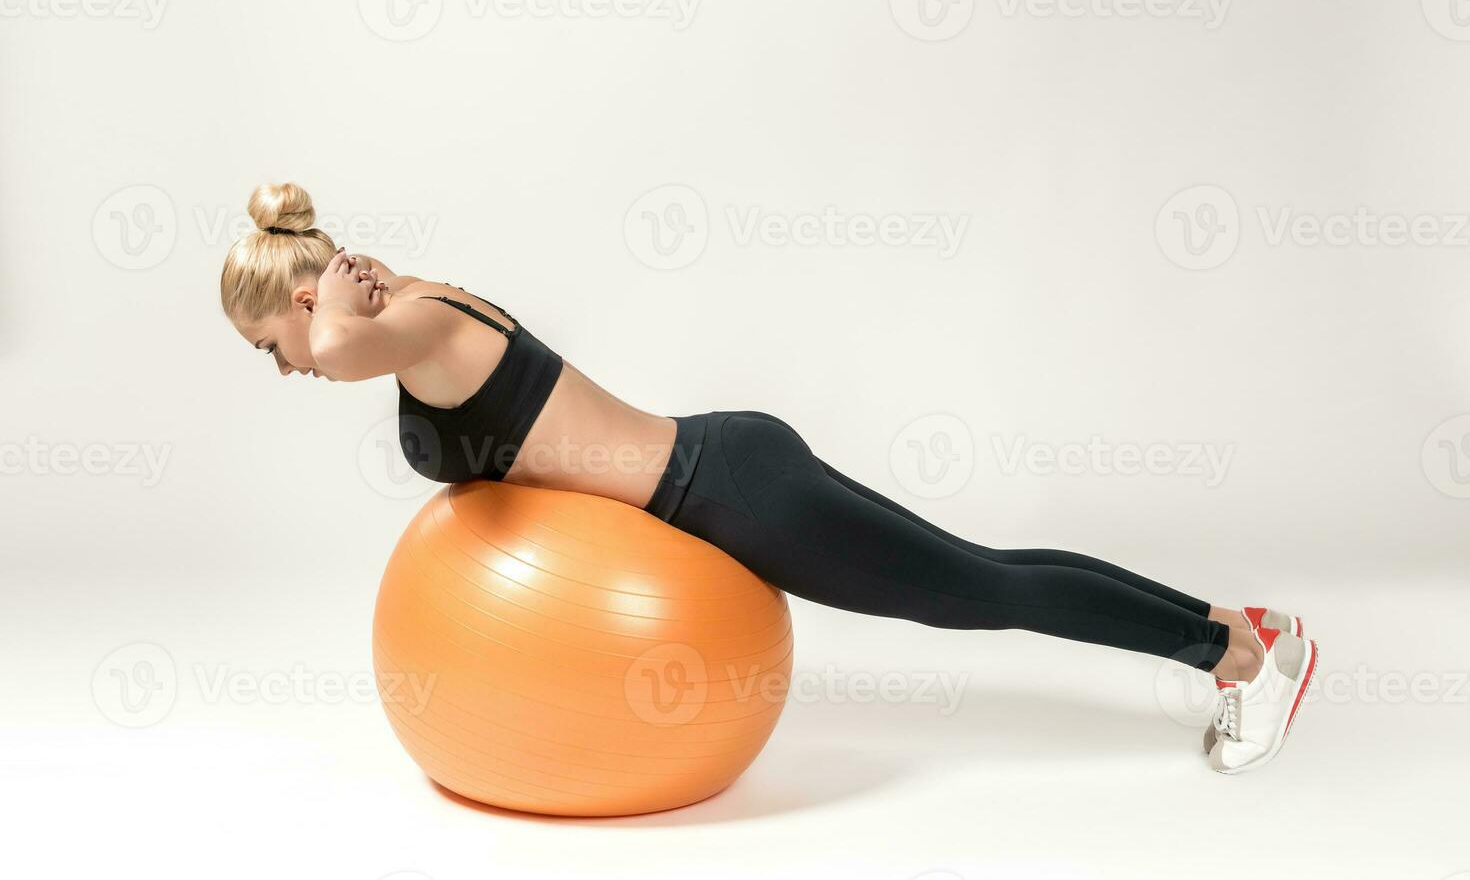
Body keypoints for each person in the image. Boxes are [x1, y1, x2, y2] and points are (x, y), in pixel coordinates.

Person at [220, 183, 1317, 774]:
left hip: (729, 492)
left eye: (267, 343)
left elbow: (332, 350)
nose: (283, 369)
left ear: (305, 304)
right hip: (726, 462)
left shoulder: (395, 320)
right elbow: (337, 339)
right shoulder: (405, 298)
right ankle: (1241, 628)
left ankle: (1239, 654)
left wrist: (333, 302)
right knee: (988, 571)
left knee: (985, 589)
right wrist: (343, 281)